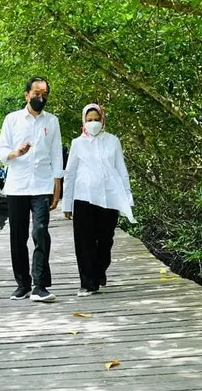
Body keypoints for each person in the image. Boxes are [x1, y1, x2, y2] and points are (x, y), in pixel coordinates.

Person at [0, 77, 63, 302]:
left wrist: (57, 187)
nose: (40, 98)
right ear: (26, 94)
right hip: (17, 185)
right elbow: (2, 151)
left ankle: (40, 286)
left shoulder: (51, 121)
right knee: (18, 237)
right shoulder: (12, 119)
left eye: (44, 94)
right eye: (36, 93)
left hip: (42, 185)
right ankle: (22, 284)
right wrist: (16, 153)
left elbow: (56, 155)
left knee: (41, 233)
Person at [63, 103, 136, 297]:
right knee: (84, 240)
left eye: (96, 119)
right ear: (84, 122)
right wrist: (67, 203)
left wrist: (127, 196)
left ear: (102, 120)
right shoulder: (77, 143)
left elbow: (121, 170)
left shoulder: (113, 141)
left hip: (109, 197)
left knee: (106, 239)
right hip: (83, 196)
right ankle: (87, 283)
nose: (93, 123)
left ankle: (99, 270)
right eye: (89, 120)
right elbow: (69, 174)